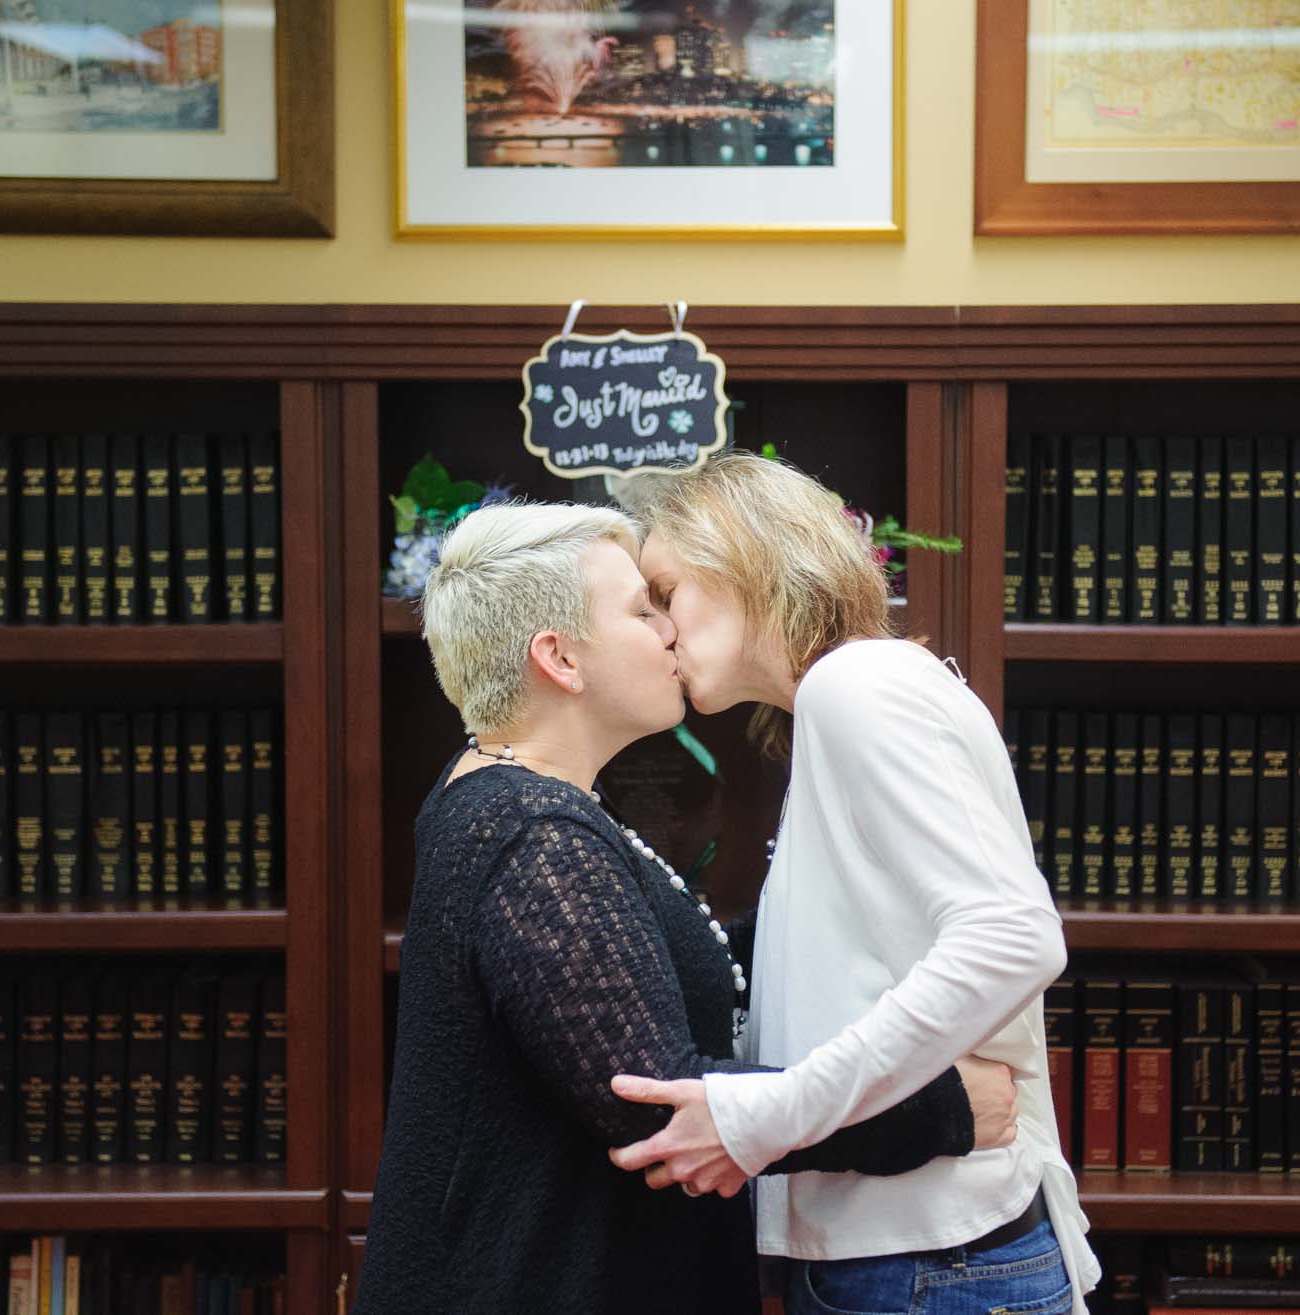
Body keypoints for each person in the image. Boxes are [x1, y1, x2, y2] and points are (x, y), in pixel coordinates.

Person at [349, 501, 1019, 1314]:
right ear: (559, 657)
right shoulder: (532, 836)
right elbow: (657, 1103)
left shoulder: (525, 802)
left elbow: (657, 970)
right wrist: (939, 1110)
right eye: (641, 609)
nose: (668, 629)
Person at [610, 452, 1101, 1315]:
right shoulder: (846, 695)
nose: (660, 630)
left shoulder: (857, 684)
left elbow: (1013, 936)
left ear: (738, 556)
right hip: (920, 1261)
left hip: (932, 1268)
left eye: (665, 590)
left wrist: (764, 1116)